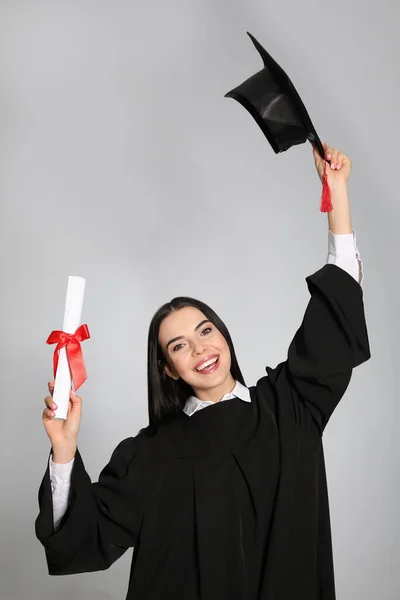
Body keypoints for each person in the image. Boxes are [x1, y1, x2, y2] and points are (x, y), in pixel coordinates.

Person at [35, 142, 371, 600]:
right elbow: (81, 539)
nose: (200, 348)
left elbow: (336, 314)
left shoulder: (291, 405)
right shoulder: (149, 456)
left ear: (224, 336)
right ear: (168, 370)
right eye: (179, 345)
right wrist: (64, 453)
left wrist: (337, 195)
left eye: (205, 330)